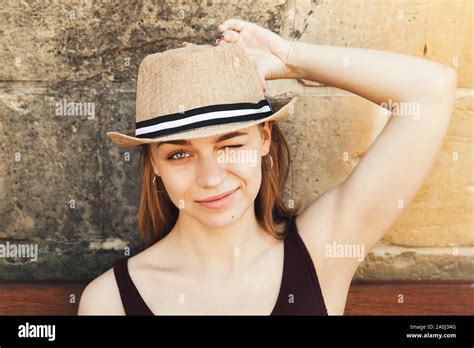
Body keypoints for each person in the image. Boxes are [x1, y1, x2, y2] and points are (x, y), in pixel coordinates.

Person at [78, 18, 457, 316]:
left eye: (230, 144)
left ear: (264, 138)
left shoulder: (321, 250)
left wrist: (290, 57)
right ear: (155, 165)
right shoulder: (109, 302)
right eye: (180, 154)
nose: (210, 177)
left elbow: (431, 89)